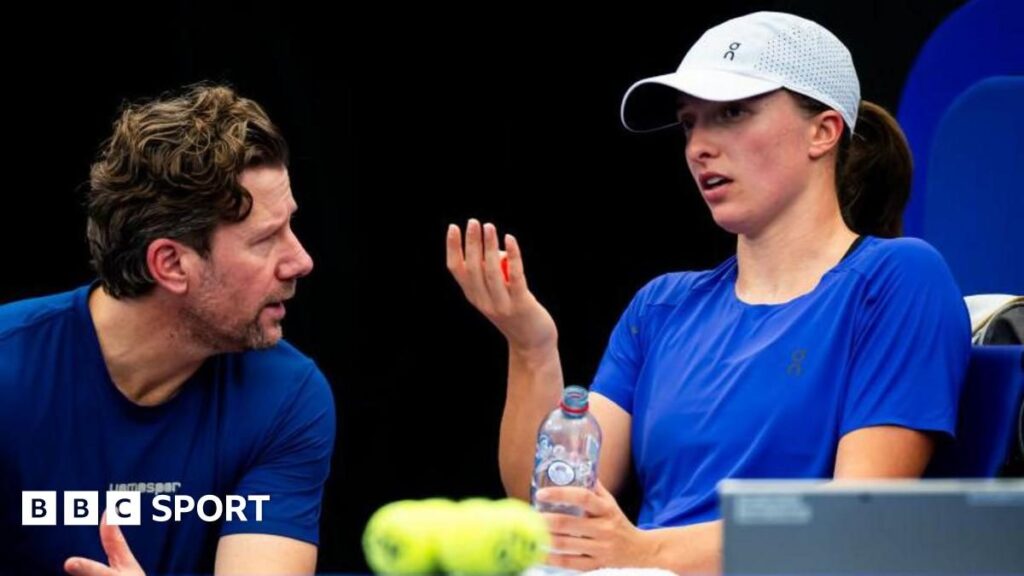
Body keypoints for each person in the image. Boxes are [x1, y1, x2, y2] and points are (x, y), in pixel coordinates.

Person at [446, 11, 970, 573]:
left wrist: (645, 552)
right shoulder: (661, 305)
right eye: (690, 122)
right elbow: (544, 512)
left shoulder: (899, 277)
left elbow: (852, 525)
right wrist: (530, 347)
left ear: (823, 131)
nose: (699, 146)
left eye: (733, 114)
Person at [0, 84, 334, 575]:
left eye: (291, 227)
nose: (301, 261)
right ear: (171, 264)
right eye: (266, 240)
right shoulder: (8, 371)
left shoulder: (286, 397)